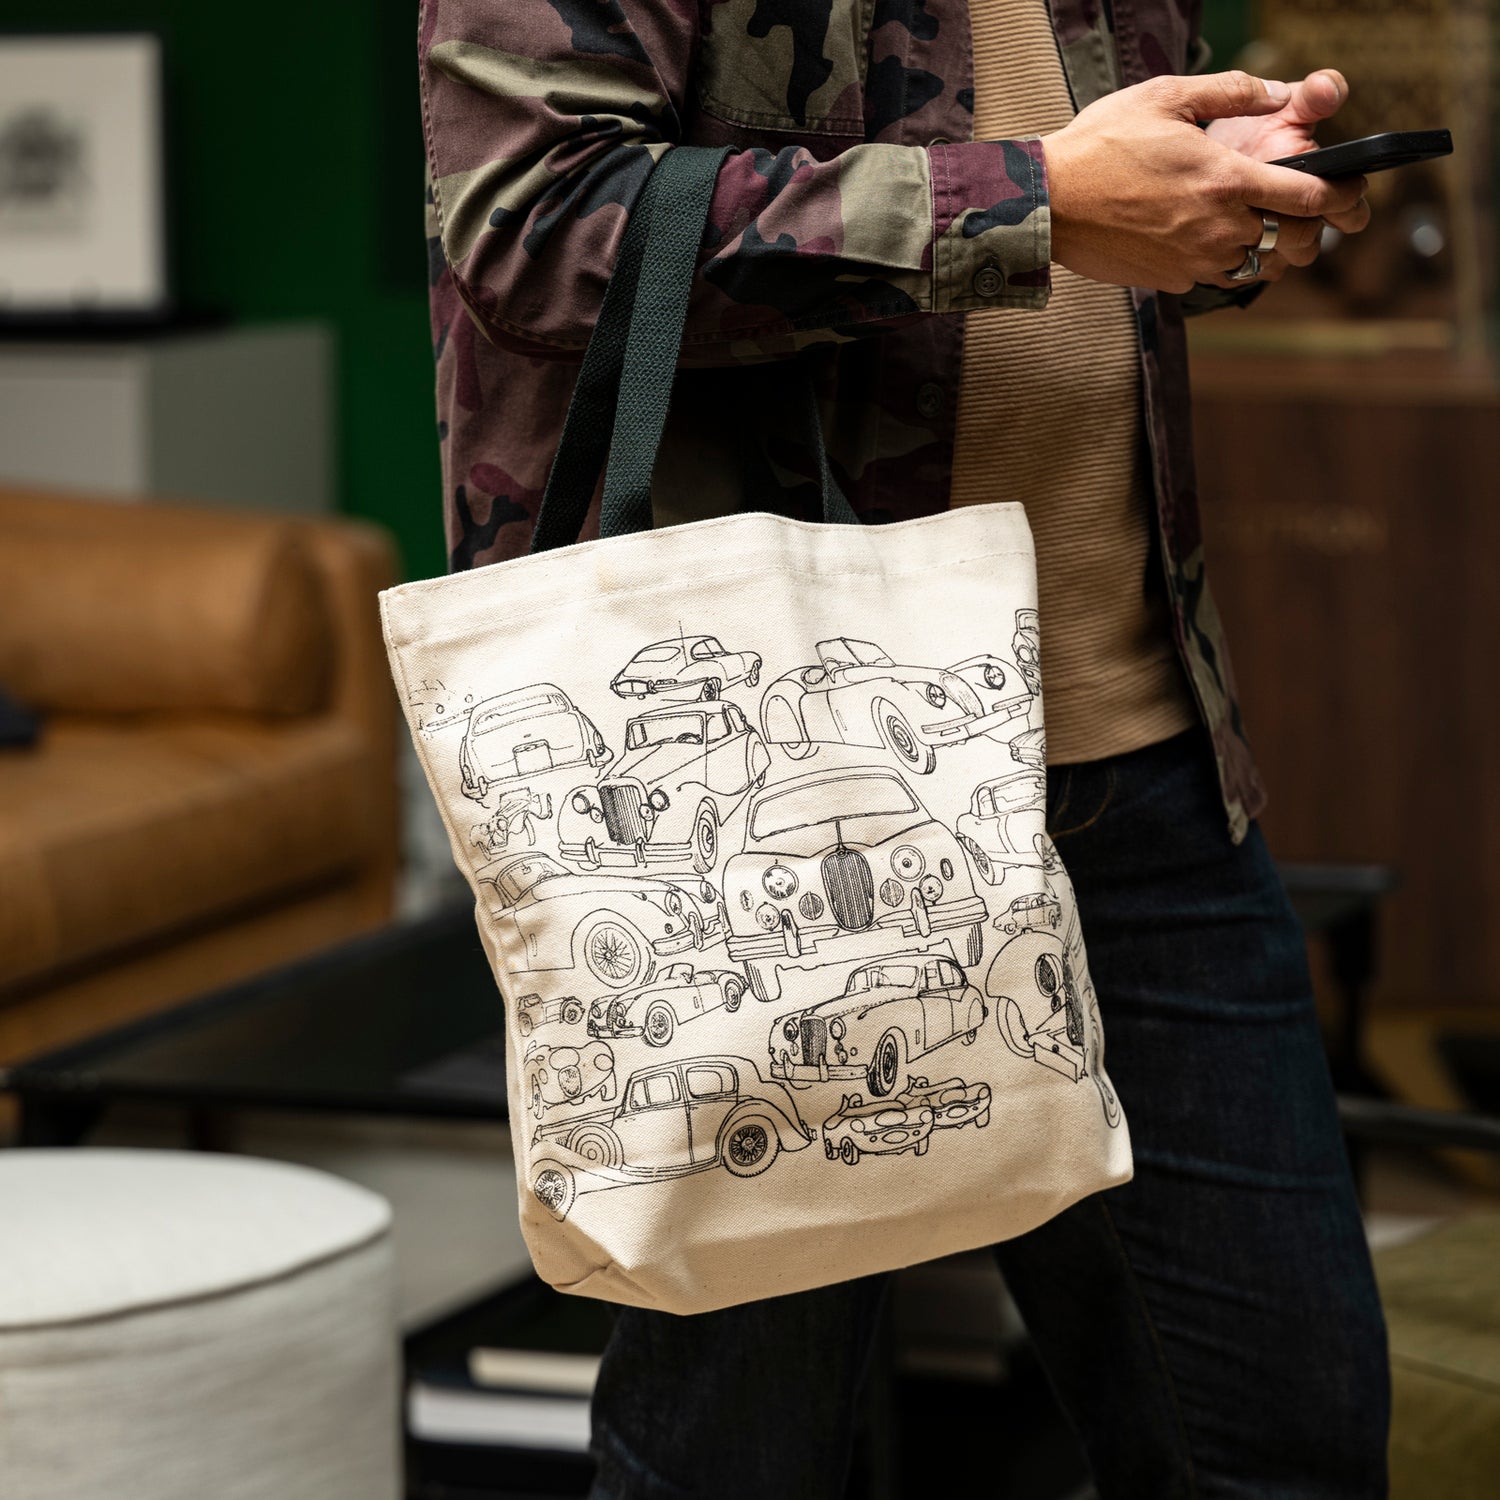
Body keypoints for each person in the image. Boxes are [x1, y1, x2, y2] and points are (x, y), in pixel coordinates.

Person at [420, 2, 1389, 1495]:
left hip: (1145, 750)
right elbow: (534, 223)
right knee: (737, 1463)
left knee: (1286, 1445)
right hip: (763, 793)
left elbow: (1084, 250)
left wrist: (1220, 201)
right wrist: (1037, 200)